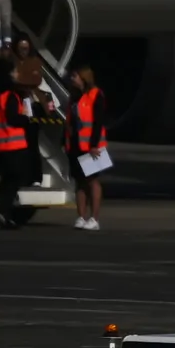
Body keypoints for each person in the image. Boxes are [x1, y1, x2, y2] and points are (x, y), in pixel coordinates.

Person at [0, 52, 37, 229]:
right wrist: (26, 119)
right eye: (13, 72)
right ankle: (2, 210)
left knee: (6, 179)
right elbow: (13, 118)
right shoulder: (11, 96)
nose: (16, 75)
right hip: (14, 145)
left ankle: (3, 213)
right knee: (15, 178)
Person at [66, 63, 110, 230]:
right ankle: (81, 217)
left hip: (91, 145)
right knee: (79, 182)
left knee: (92, 181)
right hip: (76, 144)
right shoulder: (74, 97)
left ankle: (94, 218)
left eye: (74, 76)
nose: (72, 79)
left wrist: (93, 145)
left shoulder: (95, 95)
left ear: (83, 77)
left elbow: (98, 122)